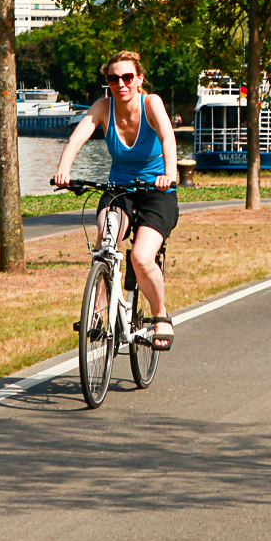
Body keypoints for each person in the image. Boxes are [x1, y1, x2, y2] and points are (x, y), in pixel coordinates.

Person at [53, 50, 179, 350]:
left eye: (127, 77)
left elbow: (168, 138)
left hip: (156, 193)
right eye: (113, 78)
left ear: (139, 79)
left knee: (141, 257)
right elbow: (76, 139)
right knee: (104, 246)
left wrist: (169, 174)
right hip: (119, 191)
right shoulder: (102, 107)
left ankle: (161, 315)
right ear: (107, 81)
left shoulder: (151, 103)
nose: (120, 83)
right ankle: (99, 312)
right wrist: (63, 169)